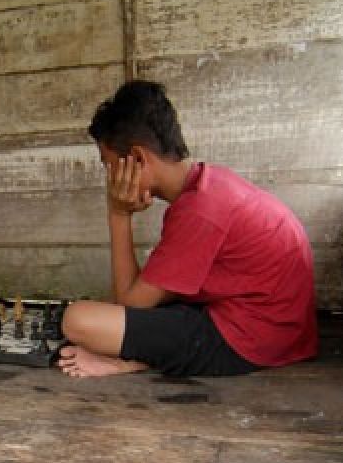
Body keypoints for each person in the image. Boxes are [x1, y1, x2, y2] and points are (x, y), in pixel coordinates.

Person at [57, 81, 318, 378]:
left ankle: (130, 361)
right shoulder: (209, 183)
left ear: (139, 159)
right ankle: (136, 358)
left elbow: (129, 304)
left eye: (109, 165)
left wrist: (118, 215)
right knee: (109, 312)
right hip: (275, 327)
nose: (109, 178)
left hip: (251, 340)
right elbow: (142, 298)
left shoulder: (201, 210)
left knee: (78, 319)